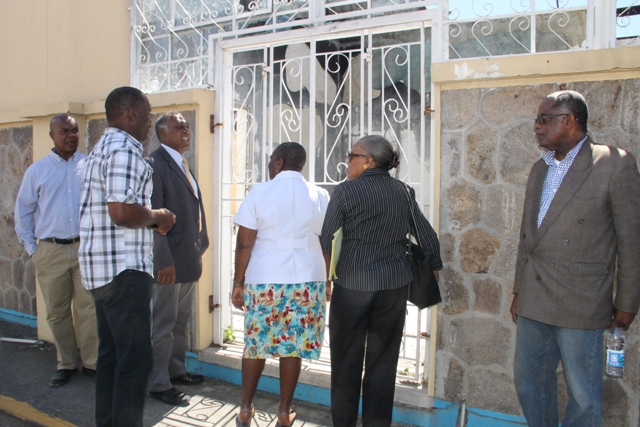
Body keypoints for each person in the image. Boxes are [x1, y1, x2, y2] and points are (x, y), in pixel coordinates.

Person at [511, 90, 640, 427]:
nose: (536, 127)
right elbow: (528, 237)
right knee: (529, 383)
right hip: (535, 301)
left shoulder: (613, 163)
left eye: (543, 119)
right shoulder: (540, 169)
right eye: (536, 120)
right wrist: (518, 291)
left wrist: (627, 301)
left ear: (568, 121)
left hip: (581, 302)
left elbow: (632, 240)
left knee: (583, 396)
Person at [320, 135, 442, 427]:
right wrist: (434, 266)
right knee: (383, 363)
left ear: (368, 161)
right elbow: (426, 236)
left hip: (352, 288)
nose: (348, 160)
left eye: (352, 155)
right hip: (393, 288)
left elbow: (326, 239)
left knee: (346, 362)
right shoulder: (402, 191)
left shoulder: (345, 192)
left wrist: (326, 277)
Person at [78, 86, 176, 427]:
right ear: (131, 113)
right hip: (123, 272)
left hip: (100, 270)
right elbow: (121, 212)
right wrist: (158, 216)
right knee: (134, 362)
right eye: (148, 115)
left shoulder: (100, 148)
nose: (150, 122)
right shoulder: (125, 151)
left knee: (111, 357)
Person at [231, 142, 330, 427]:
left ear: (278, 162)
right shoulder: (320, 195)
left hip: (265, 280)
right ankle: (285, 413)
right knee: (293, 347)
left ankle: (246, 409)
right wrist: (327, 282)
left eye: (271, 159)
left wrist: (239, 282)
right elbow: (327, 243)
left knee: (255, 345)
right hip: (307, 280)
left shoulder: (260, 192)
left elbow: (244, 243)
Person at [14, 114, 99, 387]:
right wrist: (32, 249)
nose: (71, 135)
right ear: (52, 135)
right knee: (57, 311)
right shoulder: (37, 171)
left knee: (88, 309)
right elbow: (23, 213)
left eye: (74, 131)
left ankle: (92, 363)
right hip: (50, 251)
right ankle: (66, 363)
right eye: (64, 131)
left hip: (83, 249)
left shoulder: (88, 166)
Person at [147, 112, 210, 407]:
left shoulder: (182, 162)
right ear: (162, 133)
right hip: (168, 264)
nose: (186, 129)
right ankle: (159, 383)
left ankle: (176, 370)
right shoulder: (155, 164)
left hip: (187, 258)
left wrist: (201, 243)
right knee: (163, 324)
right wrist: (162, 261)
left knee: (180, 321)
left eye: (186, 125)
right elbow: (154, 218)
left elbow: (193, 206)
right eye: (178, 126)